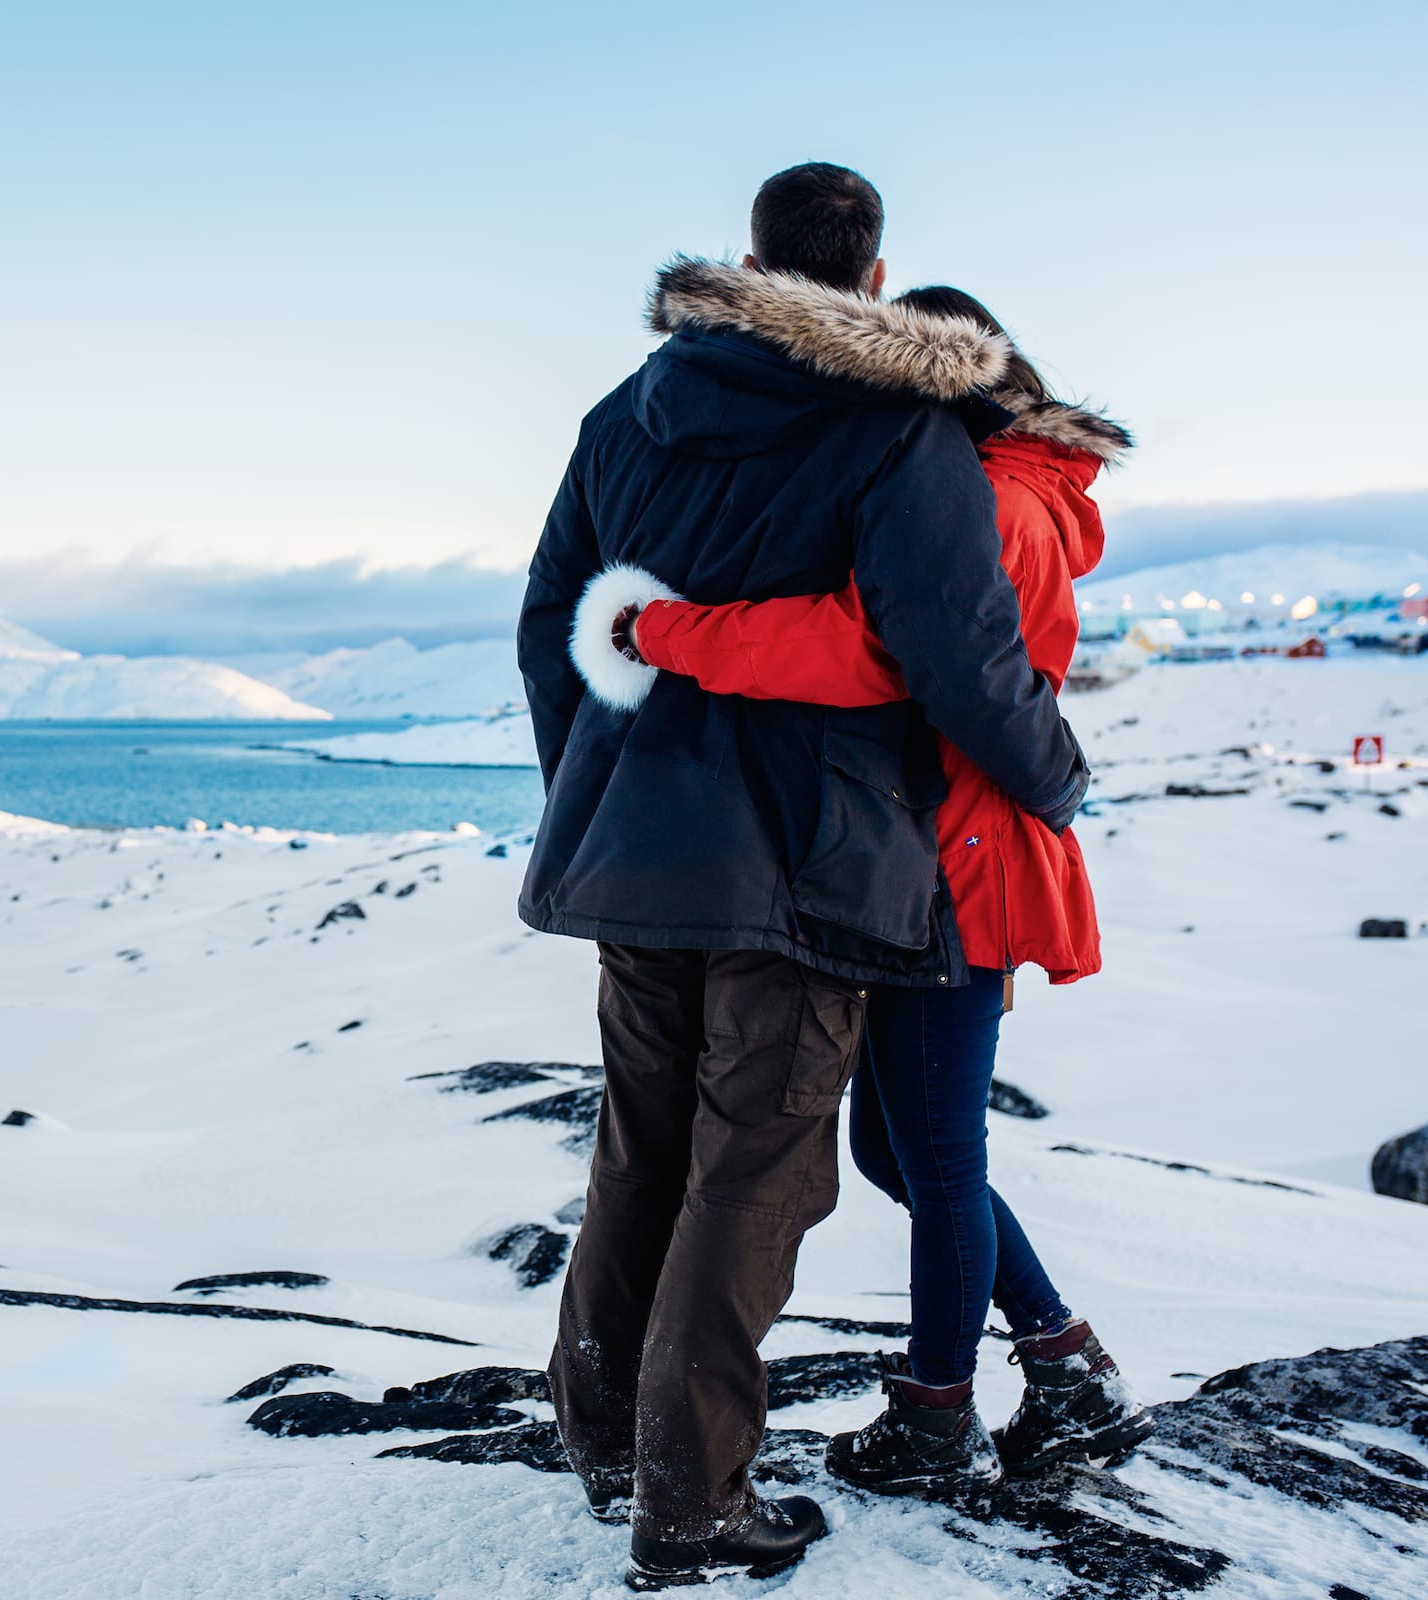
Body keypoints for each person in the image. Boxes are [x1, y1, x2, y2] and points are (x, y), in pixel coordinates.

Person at [517, 163, 1090, 1591]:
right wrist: (1056, 778)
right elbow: (958, 655)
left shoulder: (623, 414)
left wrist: (589, 791)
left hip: (634, 843)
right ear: (875, 282)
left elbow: (551, 627)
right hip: (809, 864)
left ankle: (601, 1435)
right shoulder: (898, 432)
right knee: (755, 1177)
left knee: (639, 1148)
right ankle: (692, 1500)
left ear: (751, 262)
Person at [605, 286, 1154, 1500]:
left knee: (935, 1159)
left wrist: (675, 631)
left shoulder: (993, 500)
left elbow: (873, 645)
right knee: (906, 1153)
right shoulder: (1005, 483)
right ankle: (1062, 1365)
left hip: (960, 864)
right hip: (954, 851)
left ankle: (943, 1412)